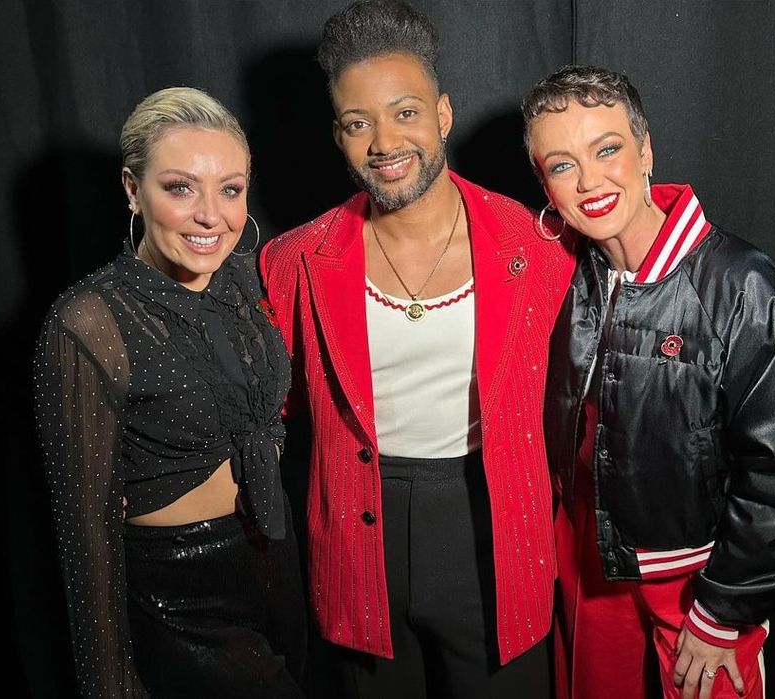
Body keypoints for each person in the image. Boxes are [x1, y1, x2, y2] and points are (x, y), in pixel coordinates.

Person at [259, 2, 574, 696]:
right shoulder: (293, 261)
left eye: (403, 113)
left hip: (495, 529)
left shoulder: (537, 247)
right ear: (336, 136)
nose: (382, 141)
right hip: (355, 540)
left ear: (443, 115)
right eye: (356, 122)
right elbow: (264, 417)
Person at [523, 66, 775, 699]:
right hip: (589, 561)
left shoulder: (743, 287)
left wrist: (724, 612)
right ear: (545, 184)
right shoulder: (563, 274)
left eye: (606, 149)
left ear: (646, 151)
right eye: (562, 165)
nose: (589, 181)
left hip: (696, 581)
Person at [34, 87, 306, 698]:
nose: (212, 215)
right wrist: (110, 683)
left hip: (274, 560)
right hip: (177, 595)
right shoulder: (88, 323)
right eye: (181, 188)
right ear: (133, 189)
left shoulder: (241, 280)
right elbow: (87, 535)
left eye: (230, 189)